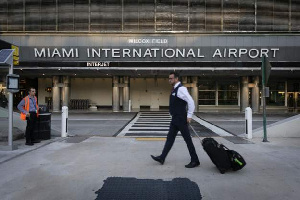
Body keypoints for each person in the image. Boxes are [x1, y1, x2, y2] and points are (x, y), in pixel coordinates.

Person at [151, 72, 200, 168]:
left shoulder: (181, 89)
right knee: (169, 139)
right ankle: (162, 157)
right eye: (169, 78)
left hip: (181, 119)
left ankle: (195, 160)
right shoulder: (175, 89)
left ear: (176, 79)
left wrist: (189, 116)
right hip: (175, 119)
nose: (169, 80)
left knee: (188, 140)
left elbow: (191, 102)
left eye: (171, 78)